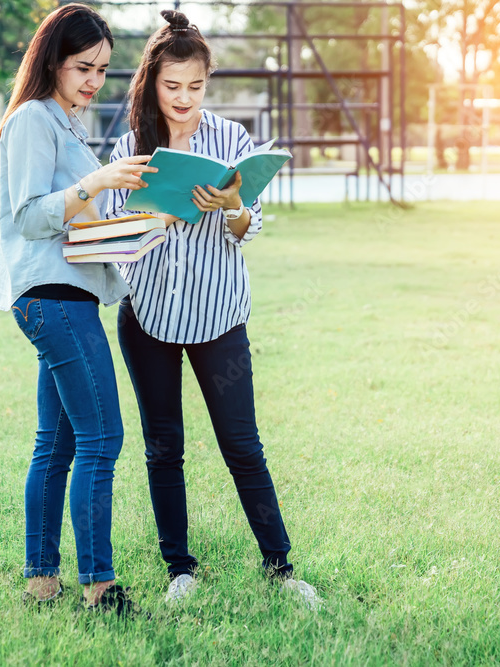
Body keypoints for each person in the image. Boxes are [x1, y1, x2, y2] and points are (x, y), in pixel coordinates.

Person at [109, 10, 318, 608]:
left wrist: (233, 209)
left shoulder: (232, 139)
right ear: (153, 82)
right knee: (163, 447)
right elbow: (117, 237)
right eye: (172, 86)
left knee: (242, 445)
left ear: (208, 82)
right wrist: (160, 217)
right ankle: (181, 569)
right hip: (147, 314)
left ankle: (281, 568)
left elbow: (251, 226)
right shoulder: (131, 148)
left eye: (195, 87)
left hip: (218, 314)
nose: (183, 98)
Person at [0, 3, 157, 616]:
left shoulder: (64, 123)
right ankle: (101, 588)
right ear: (52, 59)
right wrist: (99, 181)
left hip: (66, 295)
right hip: (53, 301)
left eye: (104, 70)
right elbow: (30, 215)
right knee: (102, 438)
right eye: (84, 67)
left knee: (55, 446)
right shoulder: (34, 118)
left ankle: (41, 581)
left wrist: (141, 226)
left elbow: (73, 226)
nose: (93, 81)